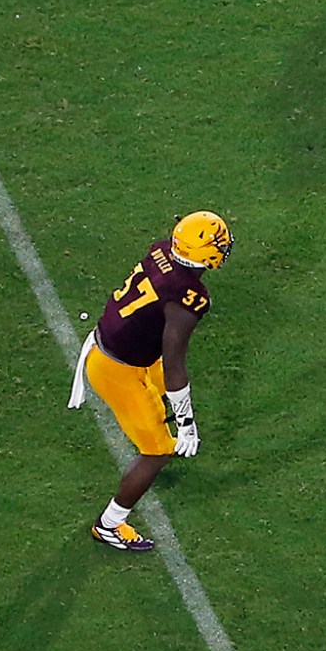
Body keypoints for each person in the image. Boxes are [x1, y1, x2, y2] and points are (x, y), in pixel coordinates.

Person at [67, 212, 233, 552]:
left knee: (160, 404)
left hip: (125, 349)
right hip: (117, 369)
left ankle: (159, 427)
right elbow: (175, 366)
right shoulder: (188, 298)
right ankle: (109, 524)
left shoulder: (161, 251)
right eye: (218, 244)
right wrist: (187, 424)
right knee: (157, 451)